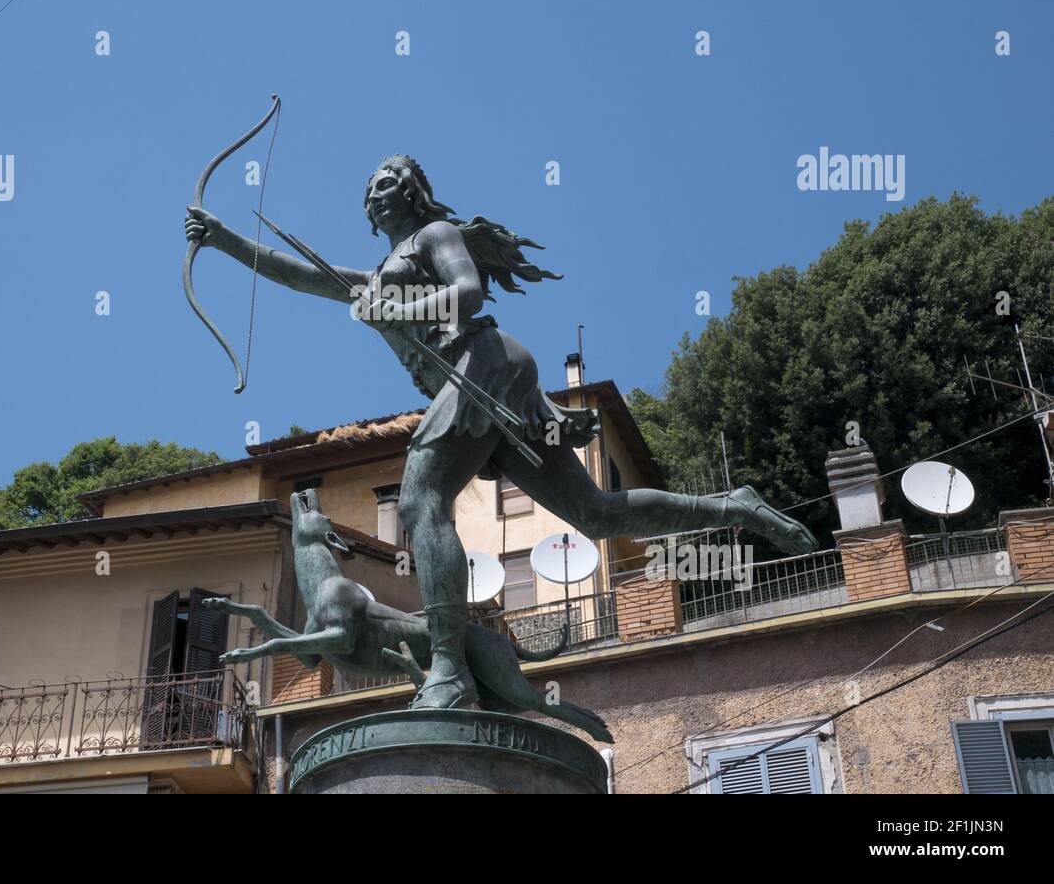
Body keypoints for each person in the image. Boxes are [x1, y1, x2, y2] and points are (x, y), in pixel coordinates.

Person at [185, 154, 817, 709]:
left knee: (417, 500)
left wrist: (403, 309)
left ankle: (449, 667)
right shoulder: (374, 279)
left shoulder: (435, 234)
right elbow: (291, 269)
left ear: (409, 190)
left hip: (485, 365)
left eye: (382, 183)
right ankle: (736, 508)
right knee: (594, 514)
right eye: (367, 190)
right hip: (478, 384)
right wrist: (221, 240)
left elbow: (469, 291)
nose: (370, 195)